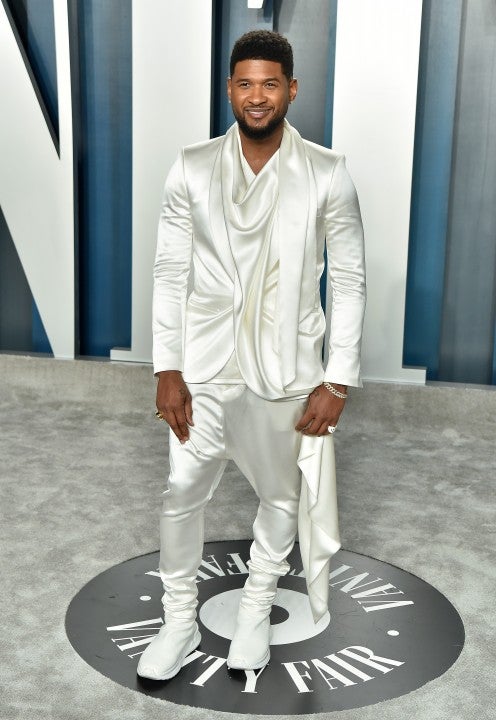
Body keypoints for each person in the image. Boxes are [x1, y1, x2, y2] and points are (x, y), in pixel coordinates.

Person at [137, 30, 365, 681]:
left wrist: (338, 381)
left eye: (270, 84)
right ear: (230, 89)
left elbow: (349, 281)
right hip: (203, 365)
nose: (257, 96)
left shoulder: (327, 172)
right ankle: (178, 620)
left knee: (280, 495)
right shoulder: (191, 166)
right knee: (182, 491)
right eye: (245, 83)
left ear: (291, 89)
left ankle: (256, 610)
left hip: (287, 368)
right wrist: (167, 366)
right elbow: (169, 271)